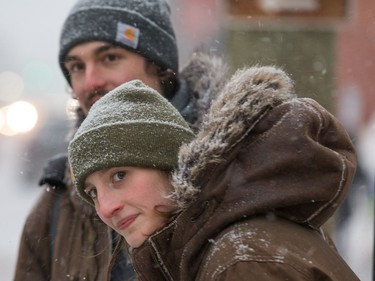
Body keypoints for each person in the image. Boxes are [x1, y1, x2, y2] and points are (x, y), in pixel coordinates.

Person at [68, 67, 360, 280]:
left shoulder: (242, 263)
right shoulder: (221, 245)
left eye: (119, 176)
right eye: (92, 192)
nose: (106, 208)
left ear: (169, 165)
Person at [13, 0, 226, 280]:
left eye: (109, 58)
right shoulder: (58, 206)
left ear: (159, 65)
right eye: (76, 67)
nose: (91, 81)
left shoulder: (231, 167)